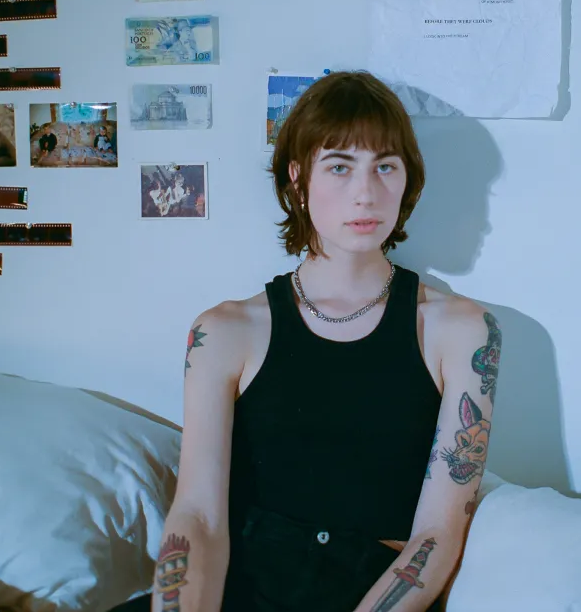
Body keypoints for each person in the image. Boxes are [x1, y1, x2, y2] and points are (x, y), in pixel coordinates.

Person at [115, 71, 502, 612]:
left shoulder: (462, 331)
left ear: (407, 179)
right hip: (238, 588)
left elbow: (436, 535)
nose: (366, 193)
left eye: (384, 166)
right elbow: (198, 517)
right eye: (339, 167)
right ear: (297, 179)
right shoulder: (222, 332)